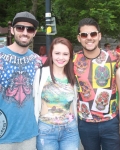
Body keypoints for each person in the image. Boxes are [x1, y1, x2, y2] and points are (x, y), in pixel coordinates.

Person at [73, 18, 120, 150]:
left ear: (99, 36)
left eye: (93, 34)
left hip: (111, 122)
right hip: (86, 124)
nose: (89, 38)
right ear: (79, 38)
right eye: (84, 35)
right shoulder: (73, 60)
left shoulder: (114, 57)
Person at [0, 11, 42, 150]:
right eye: (20, 28)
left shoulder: (37, 61)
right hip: (3, 136)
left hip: (29, 135)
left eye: (29, 29)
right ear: (12, 30)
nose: (25, 32)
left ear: (34, 33)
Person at [34, 37, 79, 150]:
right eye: (57, 53)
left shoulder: (72, 76)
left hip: (70, 130)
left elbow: (74, 104)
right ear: (51, 54)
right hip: (46, 130)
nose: (61, 57)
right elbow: (34, 101)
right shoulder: (41, 74)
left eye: (65, 54)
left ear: (70, 56)